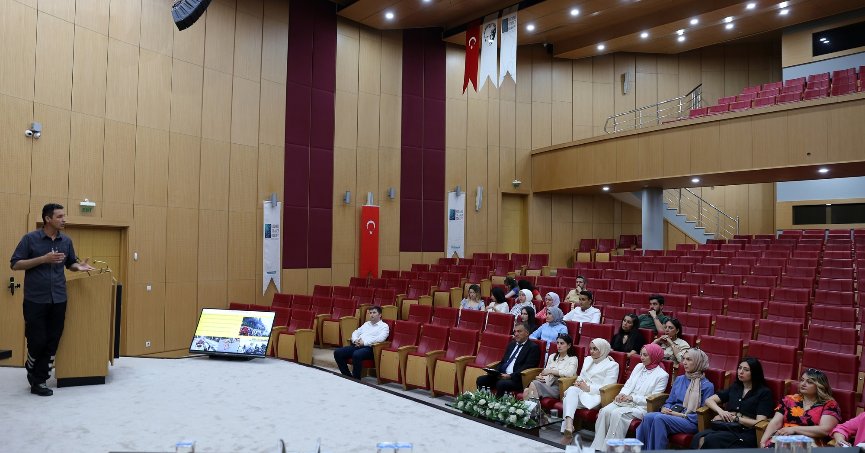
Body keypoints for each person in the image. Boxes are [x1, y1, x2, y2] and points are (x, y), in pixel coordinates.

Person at [10, 203, 96, 397]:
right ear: (48, 219)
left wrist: (77, 267)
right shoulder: (30, 239)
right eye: (59, 216)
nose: (64, 219)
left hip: (59, 298)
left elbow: (70, 263)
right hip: (35, 299)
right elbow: (15, 264)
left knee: (52, 340)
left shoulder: (66, 241)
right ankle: (31, 364)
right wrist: (43, 259)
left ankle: (40, 380)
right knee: (37, 340)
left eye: (64, 216)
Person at [590, 344, 670, 451]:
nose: (642, 357)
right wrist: (621, 394)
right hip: (626, 402)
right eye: (641, 354)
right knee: (605, 411)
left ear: (654, 356)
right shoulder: (639, 366)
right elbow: (628, 384)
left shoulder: (662, 375)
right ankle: (598, 446)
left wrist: (632, 398)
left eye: (645, 355)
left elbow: (654, 398)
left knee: (617, 414)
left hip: (642, 406)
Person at [637, 348, 715, 450]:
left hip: (689, 420)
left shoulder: (707, 386)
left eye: (689, 359)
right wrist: (665, 408)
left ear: (698, 362)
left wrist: (678, 415)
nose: (684, 362)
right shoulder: (679, 379)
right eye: (684, 359)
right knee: (648, 417)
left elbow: (702, 414)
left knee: (659, 419)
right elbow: (670, 401)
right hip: (672, 413)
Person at [691, 357, 774, 449]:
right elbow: (709, 400)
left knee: (709, 440)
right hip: (728, 427)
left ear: (754, 373)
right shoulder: (736, 387)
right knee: (698, 437)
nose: (741, 372)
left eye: (746, 370)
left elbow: (759, 422)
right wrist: (721, 412)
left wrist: (736, 418)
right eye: (739, 368)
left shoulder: (764, 392)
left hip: (746, 432)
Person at [759, 368, 841, 448]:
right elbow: (775, 422)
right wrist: (763, 441)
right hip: (783, 440)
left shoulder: (830, 404)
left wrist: (794, 429)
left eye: (809, 382)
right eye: (802, 380)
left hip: (811, 443)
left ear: (820, 386)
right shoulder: (788, 399)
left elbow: (825, 430)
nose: (803, 384)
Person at [561, 338, 620, 443]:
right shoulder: (588, 359)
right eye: (590, 348)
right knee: (572, 390)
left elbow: (608, 387)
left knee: (568, 397)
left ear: (603, 350)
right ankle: (569, 427)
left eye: (595, 349)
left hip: (597, 396)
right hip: (581, 392)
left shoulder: (612, 365)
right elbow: (581, 376)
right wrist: (578, 383)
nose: (591, 351)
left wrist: (588, 388)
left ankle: (568, 429)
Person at [476, 322, 541, 397]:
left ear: (527, 333)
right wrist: (494, 372)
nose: (516, 334)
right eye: (515, 332)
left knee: (501, 384)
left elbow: (527, 367)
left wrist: (510, 376)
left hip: (517, 379)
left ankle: (496, 403)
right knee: (481, 380)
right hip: (502, 375)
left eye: (519, 331)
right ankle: (482, 401)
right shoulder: (511, 345)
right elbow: (503, 362)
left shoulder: (533, 348)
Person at [333, 306, 390, 380]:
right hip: (358, 345)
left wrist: (364, 343)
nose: (372, 315)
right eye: (370, 313)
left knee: (356, 354)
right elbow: (356, 332)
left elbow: (381, 339)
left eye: (374, 313)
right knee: (338, 352)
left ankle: (356, 379)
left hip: (371, 349)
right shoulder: (366, 324)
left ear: (380, 315)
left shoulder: (384, 326)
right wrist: (355, 340)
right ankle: (347, 377)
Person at [523, 333, 578, 400]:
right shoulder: (552, 356)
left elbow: (570, 373)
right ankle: (534, 406)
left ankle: (532, 406)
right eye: (557, 343)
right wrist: (539, 376)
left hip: (559, 387)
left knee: (533, 385)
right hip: (547, 383)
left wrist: (551, 371)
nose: (559, 346)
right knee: (526, 390)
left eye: (562, 343)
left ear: (569, 345)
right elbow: (545, 371)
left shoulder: (573, 359)